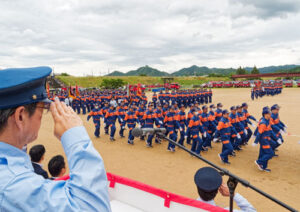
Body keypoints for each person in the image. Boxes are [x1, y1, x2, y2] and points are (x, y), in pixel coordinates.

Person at [0, 67, 111, 211]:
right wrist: (75, 135)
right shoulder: (12, 185)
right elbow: (94, 207)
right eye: (43, 109)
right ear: (20, 116)